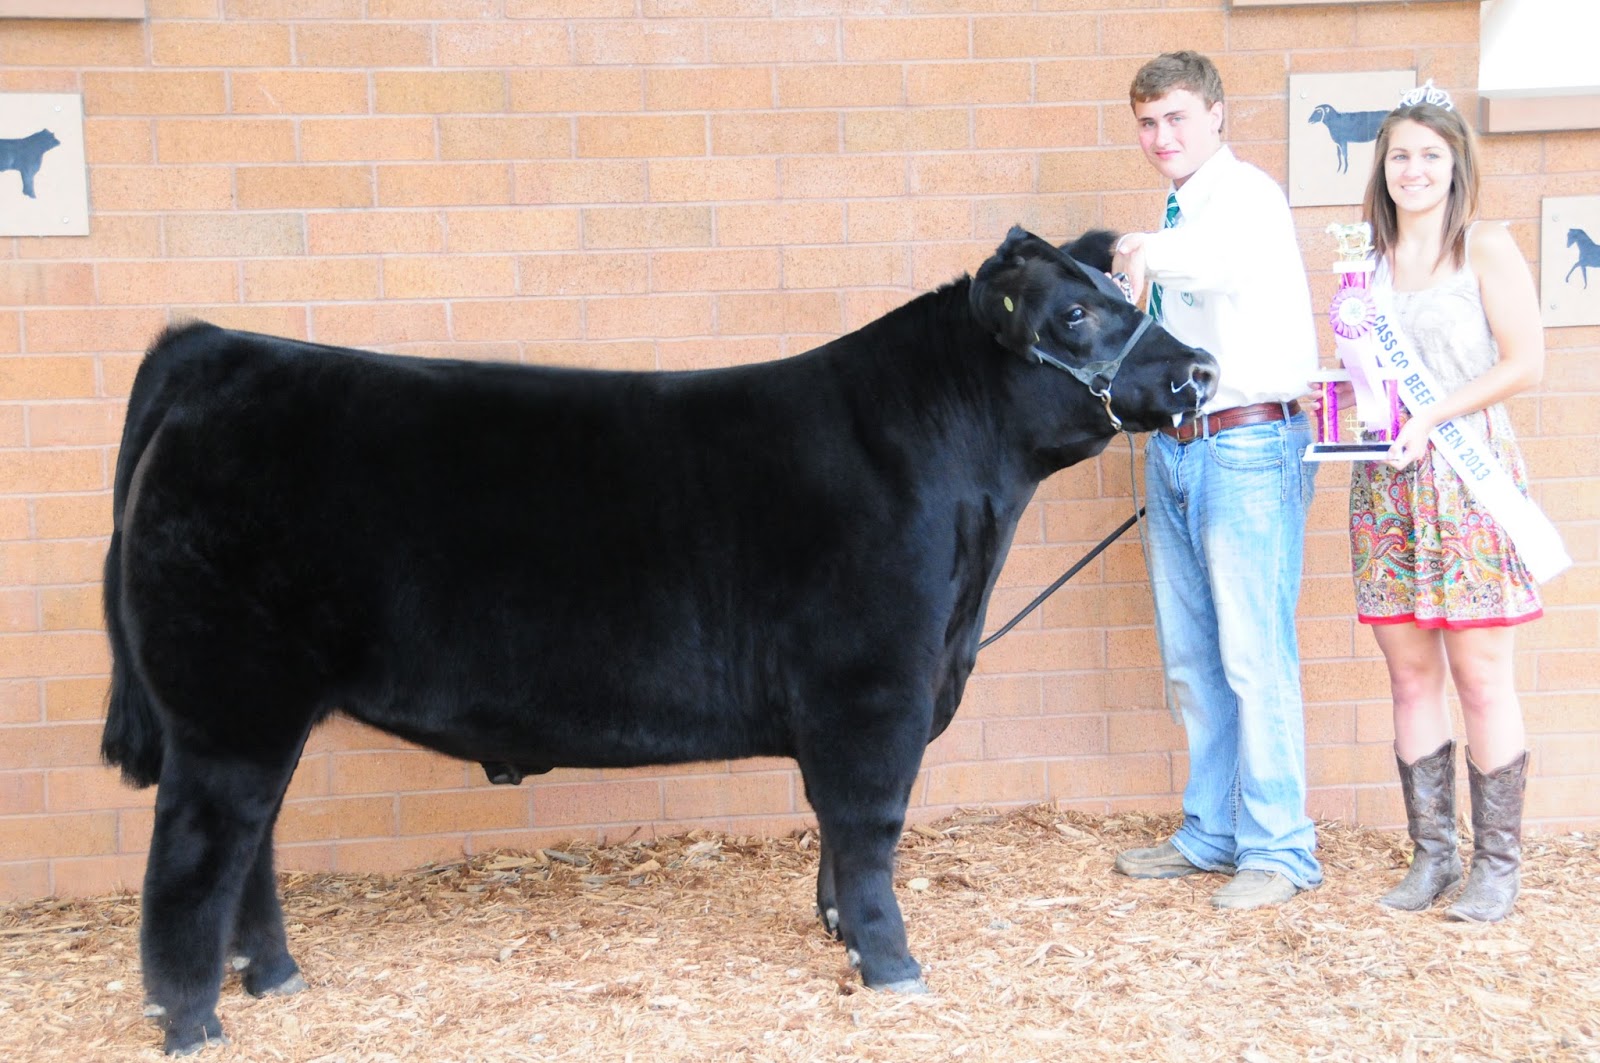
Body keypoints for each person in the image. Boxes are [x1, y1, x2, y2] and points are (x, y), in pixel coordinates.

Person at [1109, 51, 1322, 910]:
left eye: (1178, 118)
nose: (1162, 136)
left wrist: (1139, 250)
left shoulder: (1245, 200)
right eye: (1149, 123)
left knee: (1252, 655)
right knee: (1194, 658)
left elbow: (1220, 263)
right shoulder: (1179, 215)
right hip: (1179, 446)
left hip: (1247, 445)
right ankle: (1212, 831)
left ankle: (1280, 849)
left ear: (1219, 115)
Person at [1338, 89, 1545, 922]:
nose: (1413, 169)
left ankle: (1497, 866)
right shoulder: (1366, 261)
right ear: (1381, 169)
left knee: (1482, 677)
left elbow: (1527, 362)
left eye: (1428, 154)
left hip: (1468, 480)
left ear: (1456, 161)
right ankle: (1432, 857)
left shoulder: (1485, 246)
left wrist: (1433, 413)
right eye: (1398, 156)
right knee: (1409, 675)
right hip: (1387, 485)